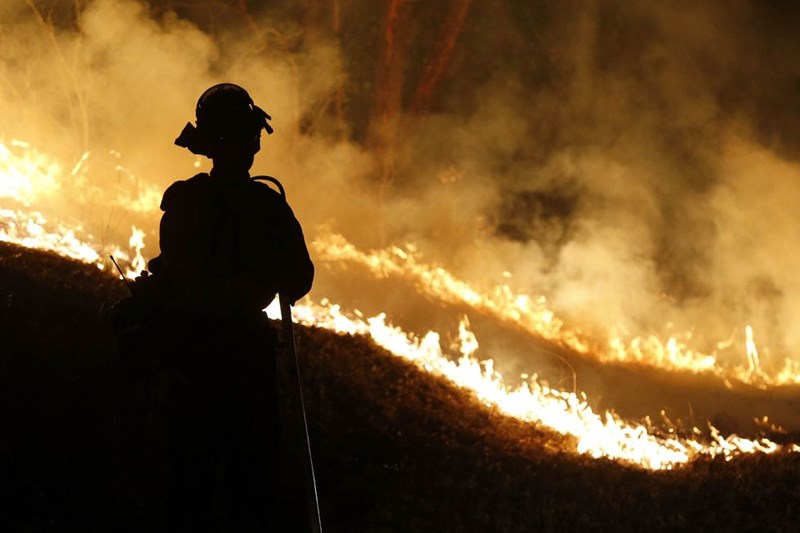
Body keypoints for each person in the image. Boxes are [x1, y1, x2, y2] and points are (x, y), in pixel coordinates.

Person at [130, 83, 314, 531]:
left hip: (191, 357)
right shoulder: (269, 207)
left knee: (189, 483)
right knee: (249, 487)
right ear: (251, 141)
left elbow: (174, 270)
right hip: (245, 356)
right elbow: (299, 280)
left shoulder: (185, 199)